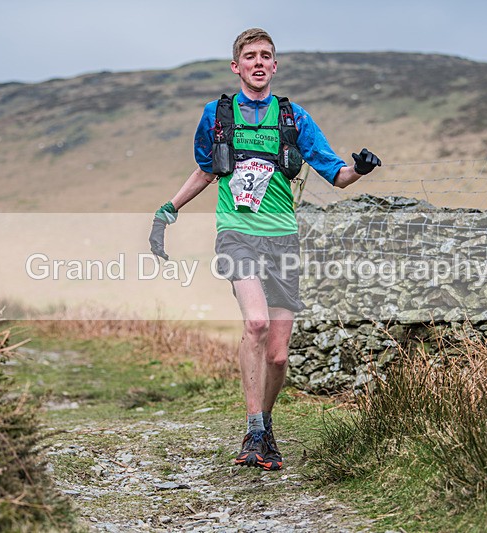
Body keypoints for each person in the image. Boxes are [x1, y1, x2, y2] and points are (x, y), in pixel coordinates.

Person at [149, 28, 381, 471]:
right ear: (237, 67)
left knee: (278, 352)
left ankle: (265, 425)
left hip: (282, 239)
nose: (258, 62)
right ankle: (254, 429)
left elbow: (335, 174)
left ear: (275, 66)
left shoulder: (295, 119)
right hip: (236, 233)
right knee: (254, 323)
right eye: (250, 56)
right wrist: (167, 211)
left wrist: (361, 170)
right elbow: (204, 171)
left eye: (266, 56)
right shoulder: (217, 115)